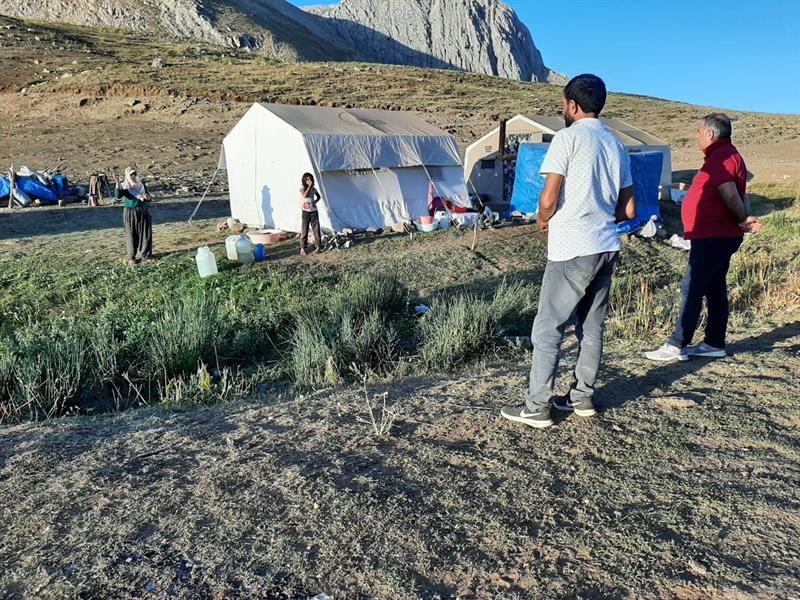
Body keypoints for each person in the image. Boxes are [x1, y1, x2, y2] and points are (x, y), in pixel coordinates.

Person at [500, 74, 636, 429]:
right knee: (592, 327)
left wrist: (543, 218)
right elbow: (629, 209)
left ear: (572, 105)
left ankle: (537, 406)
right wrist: (600, 214)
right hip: (606, 245)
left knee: (549, 328)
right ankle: (582, 397)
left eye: (564, 104)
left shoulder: (567, 138)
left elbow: (548, 199)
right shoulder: (616, 144)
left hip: (571, 247)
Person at [645, 113, 762, 362]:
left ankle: (677, 343)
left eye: (699, 132)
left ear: (710, 133)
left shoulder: (722, 157)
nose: (697, 136)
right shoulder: (727, 155)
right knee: (714, 287)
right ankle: (713, 343)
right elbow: (741, 193)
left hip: (713, 235)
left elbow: (730, 193)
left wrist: (742, 218)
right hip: (715, 234)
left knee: (692, 286)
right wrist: (742, 218)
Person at [115, 167, 153, 265]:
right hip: (130, 213)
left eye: (134, 174)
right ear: (127, 175)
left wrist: (147, 197)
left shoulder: (141, 185)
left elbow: (149, 198)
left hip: (143, 211)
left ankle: (146, 255)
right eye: (131, 174)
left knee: (145, 234)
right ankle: (131, 257)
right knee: (131, 235)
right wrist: (117, 182)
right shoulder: (125, 186)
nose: (133, 176)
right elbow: (118, 195)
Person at [299, 172, 322, 255]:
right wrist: (309, 186)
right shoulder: (302, 188)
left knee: (316, 229)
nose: (309, 181)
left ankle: (318, 247)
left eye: (310, 179)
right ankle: (303, 248)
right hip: (305, 212)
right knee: (304, 229)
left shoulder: (313, 189)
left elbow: (319, 196)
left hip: (313, 211)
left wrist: (314, 202)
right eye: (307, 179)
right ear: (304, 180)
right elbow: (305, 195)